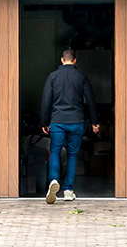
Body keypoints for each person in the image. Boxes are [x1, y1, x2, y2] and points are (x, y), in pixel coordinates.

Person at [40, 48, 100, 204]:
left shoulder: (53, 76)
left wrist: (44, 122)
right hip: (76, 121)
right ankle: (68, 190)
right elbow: (91, 100)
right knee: (73, 154)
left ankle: (54, 180)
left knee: (55, 151)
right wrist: (95, 122)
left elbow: (46, 100)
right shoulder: (81, 77)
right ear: (74, 61)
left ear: (62, 60)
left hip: (58, 121)